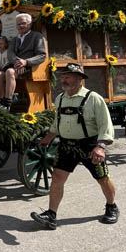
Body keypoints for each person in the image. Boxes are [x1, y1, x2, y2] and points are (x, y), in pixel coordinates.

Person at [31, 63, 118, 230]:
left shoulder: (94, 98)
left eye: (68, 76)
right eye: (63, 77)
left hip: (89, 146)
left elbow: (105, 125)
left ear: (79, 79)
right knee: (57, 178)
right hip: (67, 146)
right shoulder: (60, 98)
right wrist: (48, 137)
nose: (63, 79)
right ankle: (51, 215)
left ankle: (111, 206)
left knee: (102, 178)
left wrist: (100, 147)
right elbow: (58, 123)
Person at [0, 37, 16, 109]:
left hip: (7, 69)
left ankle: (7, 101)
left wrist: (2, 69)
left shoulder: (8, 52)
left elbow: (9, 62)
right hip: (1, 71)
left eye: (1, 43)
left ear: (6, 44)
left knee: (2, 74)